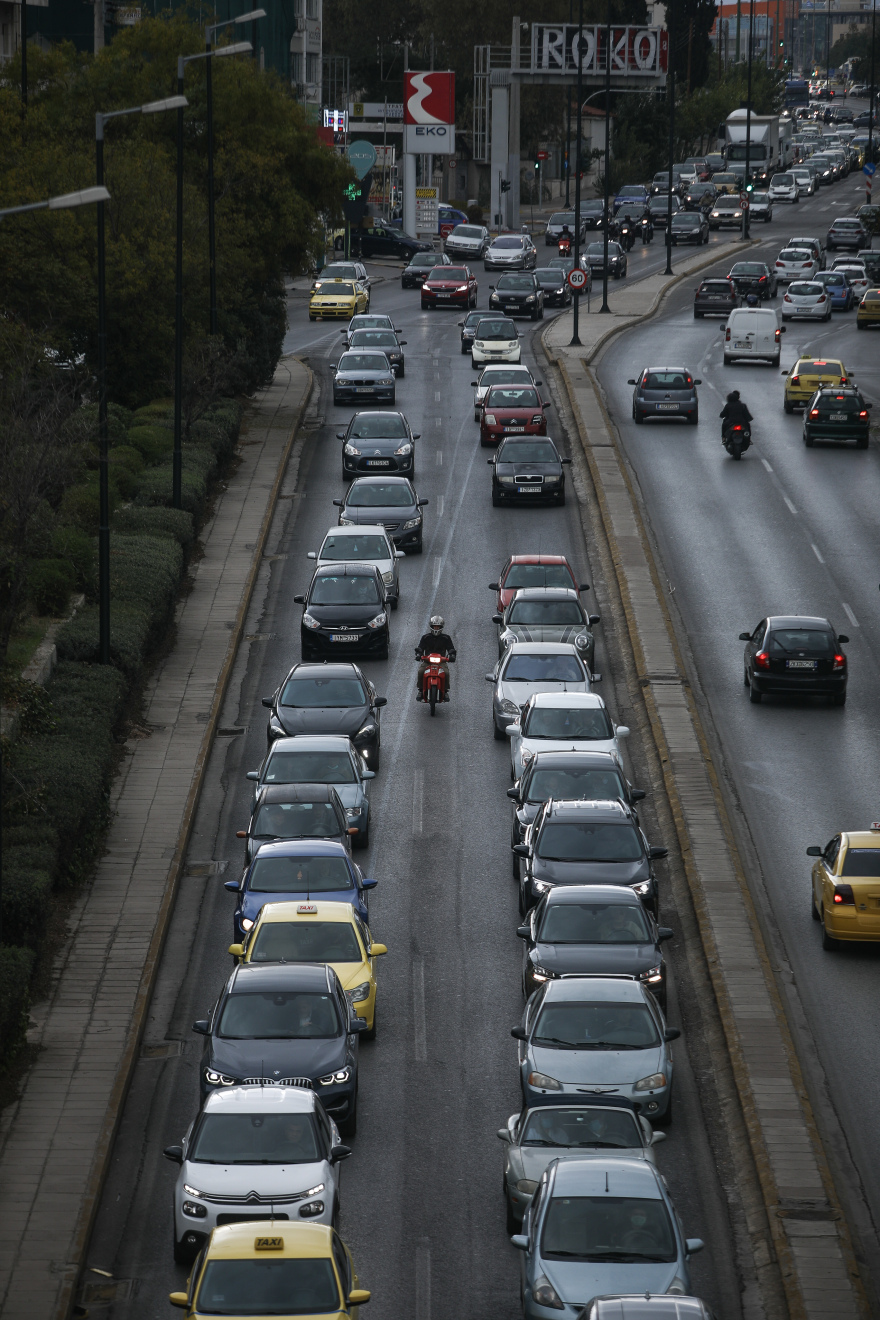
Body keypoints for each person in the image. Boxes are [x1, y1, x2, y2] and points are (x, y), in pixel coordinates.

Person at [414, 615, 456, 701]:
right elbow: (420, 648)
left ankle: (445, 691)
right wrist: (419, 654)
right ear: (431, 626)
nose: (436, 628)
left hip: (441, 661)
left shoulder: (446, 638)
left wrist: (452, 655)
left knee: (446, 673)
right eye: (434, 626)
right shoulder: (425, 637)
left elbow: (451, 648)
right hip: (427, 660)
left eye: (438, 627)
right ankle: (421, 690)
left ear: (441, 627)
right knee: (421, 671)